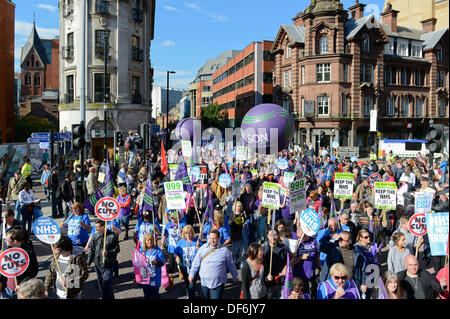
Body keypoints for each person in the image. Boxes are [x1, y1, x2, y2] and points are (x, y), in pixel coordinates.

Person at [188, 229, 239, 299]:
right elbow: (195, 263)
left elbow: (231, 264)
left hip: (218, 283)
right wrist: (191, 274)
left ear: (219, 238)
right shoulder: (202, 249)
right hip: (204, 282)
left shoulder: (225, 251)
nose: (212, 240)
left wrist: (235, 276)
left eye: (214, 238)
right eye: (211, 238)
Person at [87, 219, 120, 299]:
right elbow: (91, 250)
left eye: (98, 227)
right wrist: (88, 263)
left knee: (106, 284)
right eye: (96, 227)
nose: (97, 229)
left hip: (108, 265)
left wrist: (108, 252)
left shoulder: (112, 236)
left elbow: (117, 249)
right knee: (101, 284)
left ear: (104, 226)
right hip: (98, 264)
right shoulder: (95, 236)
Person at [0, 229, 39, 299]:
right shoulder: (7, 251)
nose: (5, 241)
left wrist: (21, 284)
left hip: (22, 289)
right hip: (7, 288)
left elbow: (33, 271)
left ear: (14, 241)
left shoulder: (29, 252)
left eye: (7, 240)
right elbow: (3, 269)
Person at [292, 223, 320, 298]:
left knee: (311, 293)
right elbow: (292, 262)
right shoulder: (296, 243)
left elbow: (317, 255)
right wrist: (301, 257)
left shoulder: (313, 241)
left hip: (312, 274)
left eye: (301, 237)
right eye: (298, 237)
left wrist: (319, 268)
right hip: (300, 275)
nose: (299, 239)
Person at [174, 225, 200, 299]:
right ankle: (189, 293)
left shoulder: (197, 241)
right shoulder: (181, 242)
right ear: (183, 234)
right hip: (184, 267)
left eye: (189, 233)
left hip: (194, 268)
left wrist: (198, 247)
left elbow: (202, 253)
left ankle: (191, 296)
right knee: (187, 282)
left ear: (192, 233)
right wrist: (176, 257)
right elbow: (175, 253)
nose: (188, 235)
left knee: (192, 283)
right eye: (186, 233)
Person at [354, 229, 380, 299]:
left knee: (374, 295)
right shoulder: (356, 248)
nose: (369, 238)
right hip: (364, 275)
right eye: (366, 237)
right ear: (360, 238)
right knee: (365, 295)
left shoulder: (373, 246)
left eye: (369, 236)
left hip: (374, 272)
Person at [262, 229, 287, 299]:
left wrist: (286, 267)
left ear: (278, 236)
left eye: (275, 235)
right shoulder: (263, 249)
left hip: (280, 280)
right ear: (267, 236)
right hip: (268, 282)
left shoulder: (283, 248)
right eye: (271, 235)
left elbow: (288, 260)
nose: (273, 237)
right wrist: (266, 277)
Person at [140, 232, 165, 299]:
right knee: (147, 295)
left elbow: (162, 263)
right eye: (148, 240)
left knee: (154, 295)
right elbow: (138, 264)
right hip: (145, 277)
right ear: (145, 241)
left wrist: (156, 262)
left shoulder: (157, 250)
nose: (150, 241)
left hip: (154, 277)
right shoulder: (141, 250)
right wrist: (136, 276)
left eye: (151, 240)